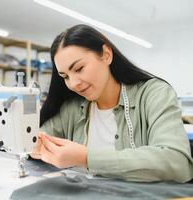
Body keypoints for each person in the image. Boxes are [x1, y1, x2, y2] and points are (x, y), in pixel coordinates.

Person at [31, 24, 193, 183]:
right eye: (65, 76)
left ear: (106, 55)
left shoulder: (154, 94)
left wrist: (87, 158)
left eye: (79, 68)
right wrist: (34, 146)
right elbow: (38, 138)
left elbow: (177, 162)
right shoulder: (72, 107)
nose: (73, 84)